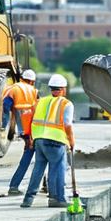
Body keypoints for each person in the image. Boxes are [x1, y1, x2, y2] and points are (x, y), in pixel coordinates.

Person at [21, 74, 74, 208]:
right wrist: (71, 141)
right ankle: (57, 199)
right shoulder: (66, 103)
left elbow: (31, 114)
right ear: (63, 89)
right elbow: (67, 125)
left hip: (39, 139)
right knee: (57, 169)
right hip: (55, 141)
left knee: (38, 168)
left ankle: (28, 199)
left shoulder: (41, 101)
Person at [4, 69, 38, 196]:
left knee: (29, 159)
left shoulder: (16, 90)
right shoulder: (31, 92)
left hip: (27, 132)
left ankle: (15, 186)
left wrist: (8, 128)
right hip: (32, 133)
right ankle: (16, 186)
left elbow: (8, 108)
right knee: (36, 160)